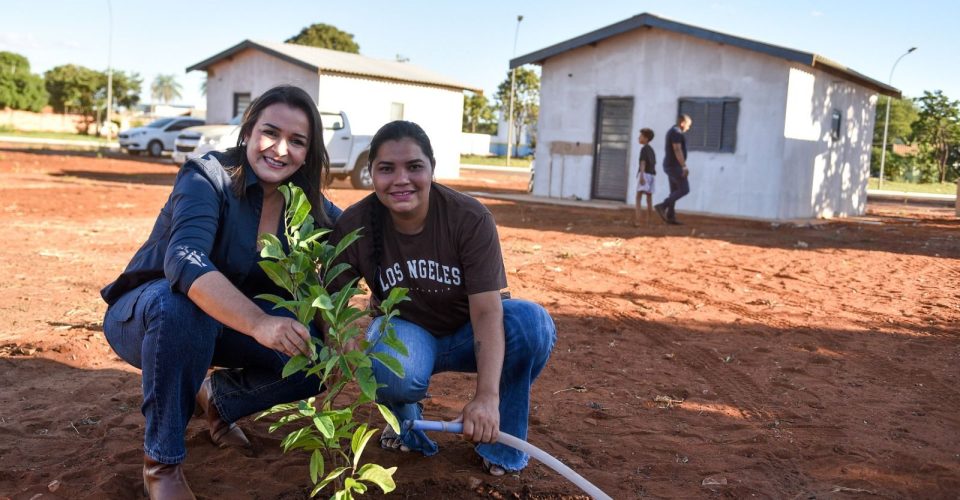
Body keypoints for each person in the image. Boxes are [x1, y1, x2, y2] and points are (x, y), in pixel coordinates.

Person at [100, 85, 342, 500]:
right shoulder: (206, 176)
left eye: (297, 141)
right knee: (182, 306)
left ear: (308, 151)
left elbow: (360, 244)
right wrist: (260, 323)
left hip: (224, 329)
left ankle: (218, 401)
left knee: (315, 359)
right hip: (148, 318)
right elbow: (185, 260)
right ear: (247, 132)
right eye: (270, 132)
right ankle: (162, 462)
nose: (280, 149)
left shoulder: (304, 203)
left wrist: (344, 326)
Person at [329, 120, 556, 477]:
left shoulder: (469, 217)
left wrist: (486, 398)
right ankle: (404, 420)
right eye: (386, 169)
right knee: (388, 362)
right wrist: (345, 343)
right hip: (409, 336)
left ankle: (500, 442)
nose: (401, 179)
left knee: (531, 325)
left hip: (468, 332)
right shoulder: (357, 222)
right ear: (370, 173)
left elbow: (486, 311)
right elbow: (332, 304)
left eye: (414, 166)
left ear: (432, 168)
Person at [655, 114, 693, 225]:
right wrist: (684, 166)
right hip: (674, 166)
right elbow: (677, 149)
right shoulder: (676, 132)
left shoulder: (673, 131)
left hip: (670, 165)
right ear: (682, 123)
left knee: (674, 191)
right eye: (688, 125)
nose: (688, 128)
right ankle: (662, 206)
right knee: (684, 189)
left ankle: (670, 216)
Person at [634, 127, 657, 227]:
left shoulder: (643, 149)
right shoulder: (651, 150)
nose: (639, 138)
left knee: (638, 197)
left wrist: (642, 176)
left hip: (645, 174)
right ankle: (650, 220)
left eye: (641, 136)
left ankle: (638, 220)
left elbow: (642, 162)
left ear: (646, 138)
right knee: (649, 198)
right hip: (652, 175)